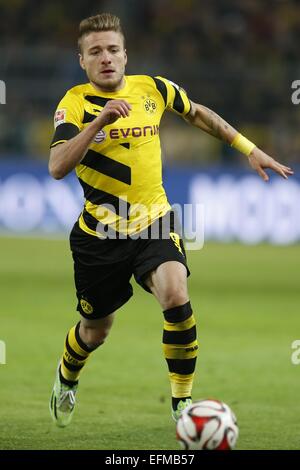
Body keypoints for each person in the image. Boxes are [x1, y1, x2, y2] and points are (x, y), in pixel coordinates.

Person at [48, 13, 293, 428]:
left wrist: (248, 147)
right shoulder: (73, 104)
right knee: (95, 331)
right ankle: (66, 376)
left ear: (125, 55)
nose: (105, 58)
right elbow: (57, 165)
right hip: (99, 235)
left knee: (176, 294)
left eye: (112, 49)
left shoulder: (153, 88)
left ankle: (182, 403)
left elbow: (196, 113)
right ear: (82, 61)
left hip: (154, 222)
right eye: (95, 52)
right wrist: (100, 121)